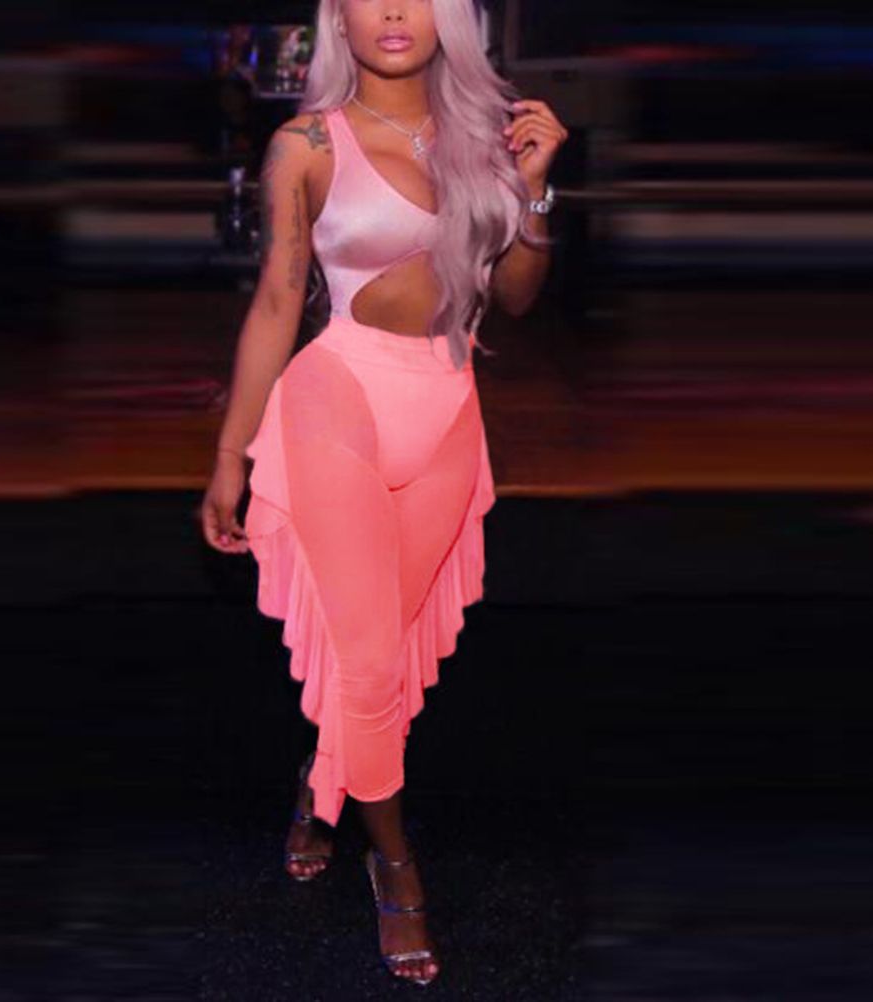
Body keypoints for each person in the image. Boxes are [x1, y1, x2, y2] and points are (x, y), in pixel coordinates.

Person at [199, 0, 566, 987]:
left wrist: (534, 191)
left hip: (446, 412)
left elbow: (515, 298)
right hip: (338, 404)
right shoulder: (306, 144)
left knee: (388, 659)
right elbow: (279, 298)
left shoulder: (491, 138)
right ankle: (397, 870)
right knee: (367, 668)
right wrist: (233, 453)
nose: (393, 9)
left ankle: (319, 787)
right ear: (338, 18)